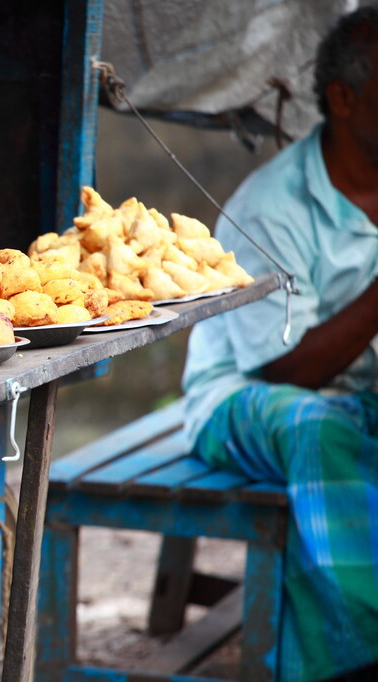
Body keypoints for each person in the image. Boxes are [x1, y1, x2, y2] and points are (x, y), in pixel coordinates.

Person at [182, 6, 378, 681]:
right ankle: (356, 646)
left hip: (355, 398)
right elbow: (279, 368)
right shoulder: (271, 206)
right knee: (315, 427)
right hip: (243, 396)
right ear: (343, 99)